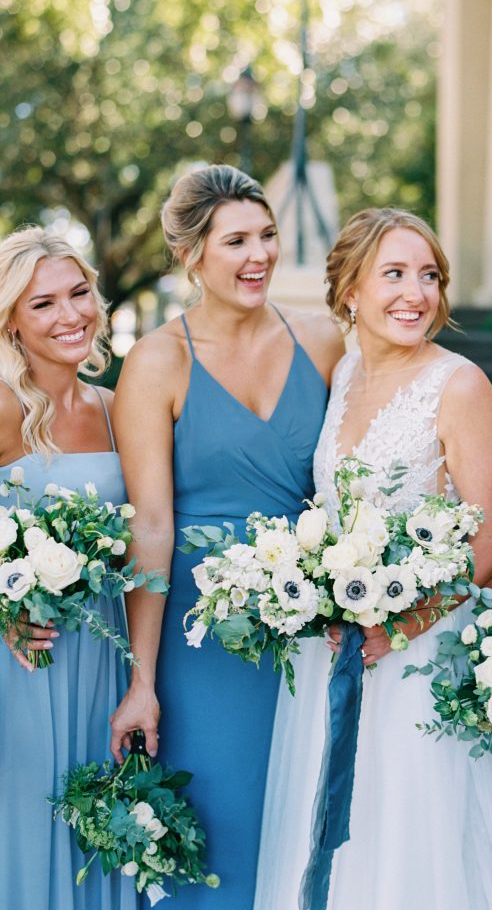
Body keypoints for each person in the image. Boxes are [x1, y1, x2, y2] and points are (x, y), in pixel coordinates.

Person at [254, 208, 492, 910]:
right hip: (333, 650)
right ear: (350, 290)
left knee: (412, 838)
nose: (415, 294)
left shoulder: (459, 385)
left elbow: (491, 540)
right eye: (394, 274)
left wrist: (400, 626)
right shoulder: (344, 374)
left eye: (429, 276)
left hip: (420, 653)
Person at [108, 165, 343, 909]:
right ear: (191, 255)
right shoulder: (157, 361)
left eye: (267, 236)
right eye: (236, 241)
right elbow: (151, 526)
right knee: (217, 831)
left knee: (304, 828)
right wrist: (142, 680)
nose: (260, 255)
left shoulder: (324, 341)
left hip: (310, 628)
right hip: (200, 638)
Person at [0, 227, 136, 910]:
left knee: (95, 825)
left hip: (104, 654)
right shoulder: (3, 406)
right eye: (43, 303)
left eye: (79, 293)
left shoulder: (116, 410)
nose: (70, 315)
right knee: (27, 822)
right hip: (24, 657)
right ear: (12, 323)